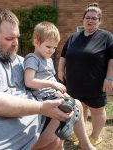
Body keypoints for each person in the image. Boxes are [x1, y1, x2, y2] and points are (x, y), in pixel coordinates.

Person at [0, 8, 96, 150]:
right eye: (9, 38)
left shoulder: (18, 60)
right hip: (1, 141)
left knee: (71, 109)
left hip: (34, 126)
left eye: (17, 37)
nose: (15, 43)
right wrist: (41, 108)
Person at [24, 21, 96, 150]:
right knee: (73, 107)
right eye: (48, 47)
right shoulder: (32, 58)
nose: (52, 50)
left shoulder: (48, 60)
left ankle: (79, 140)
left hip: (52, 95)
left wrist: (62, 92)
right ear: (36, 42)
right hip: (42, 98)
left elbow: (51, 78)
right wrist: (52, 84)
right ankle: (80, 141)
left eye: (54, 47)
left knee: (75, 103)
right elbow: (29, 81)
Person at [58, 3, 113, 146]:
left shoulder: (106, 37)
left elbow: (112, 59)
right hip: (74, 82)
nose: (90, 20)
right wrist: (60, 71)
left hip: (95, 82)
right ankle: (79, 133)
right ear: (83, 20)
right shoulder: (73, 37)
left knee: (97, 110)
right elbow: (63, 55)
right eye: (88, 17)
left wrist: (109, 77)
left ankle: (95, 136)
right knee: (79, 107)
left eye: (94, 18)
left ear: (99, 21)